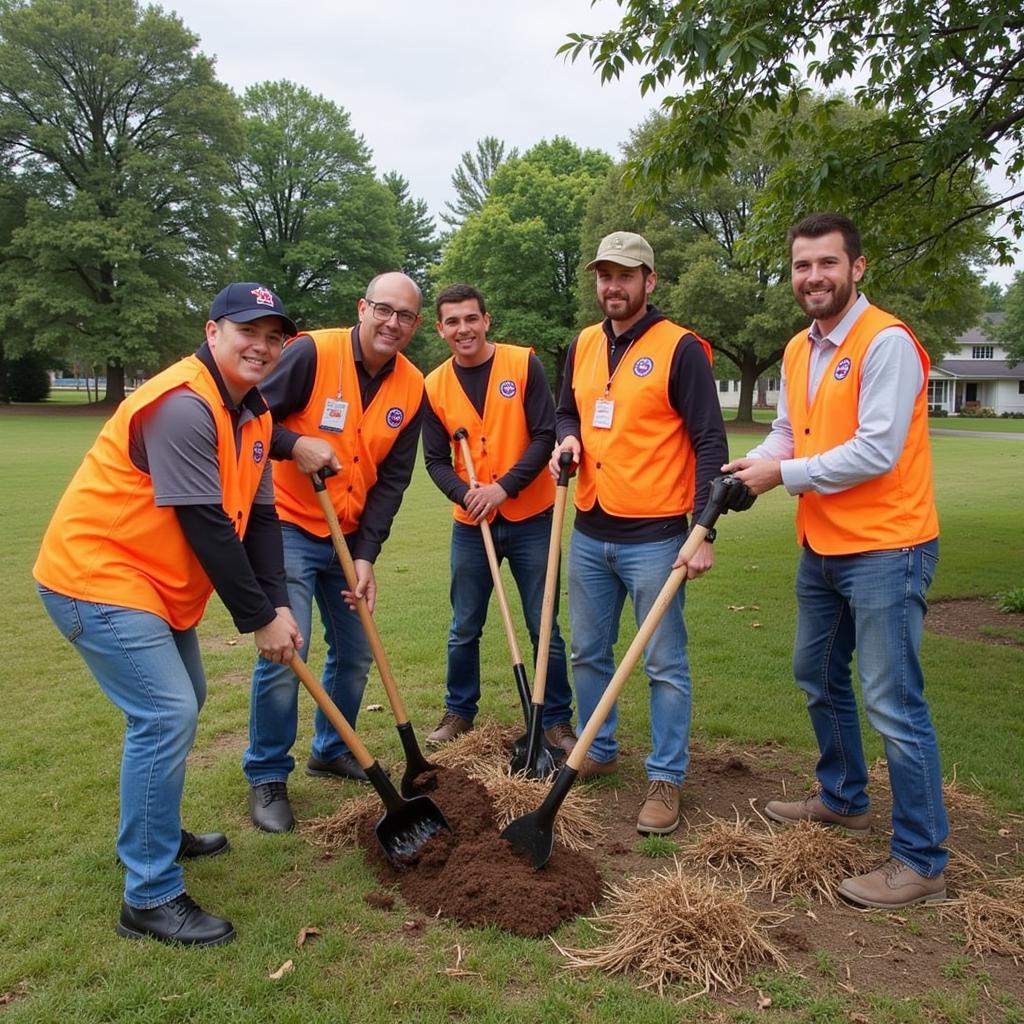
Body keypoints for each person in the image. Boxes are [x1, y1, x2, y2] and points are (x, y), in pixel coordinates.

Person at [34, 283, 301, 946]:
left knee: (189, 697)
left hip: (149, 583)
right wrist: (258, 619)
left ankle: (155, 829)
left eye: (273, 337)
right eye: (248, 331)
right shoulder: (183, 406)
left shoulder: (255, 414)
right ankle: (148, 898)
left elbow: (261, 520)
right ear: (213, 333)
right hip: (95, 576)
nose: (261, 346)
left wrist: (281, 601)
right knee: (166, 711)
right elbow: (206, 524)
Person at [724, 212, 948, 909]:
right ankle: (844, 797)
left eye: (826, 263)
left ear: (858, 267)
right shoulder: (800, 349)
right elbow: (791, 432)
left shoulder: (887, 344)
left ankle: (920, 860)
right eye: (801, 266)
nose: (812, 277)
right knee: (815, 672)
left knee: (892, 699)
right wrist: (751, 465)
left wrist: (778, 479)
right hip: (823, 544)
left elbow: (876, 450)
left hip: (888, 545)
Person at [551, 231, 728, 835]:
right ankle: (597, 751)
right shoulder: (581, 344)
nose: (613, 286)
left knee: (663, 662)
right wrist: (566, 437)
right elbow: (567, 409)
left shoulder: (680, 349)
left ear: (650, 281)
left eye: (625, 275)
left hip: (657, 537)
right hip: (589, 531)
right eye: (604, 275)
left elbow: (710, 442)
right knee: (588, 652)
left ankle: (665, 777)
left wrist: (703, 531)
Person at [244, 272, 425, 833]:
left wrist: (367, 553)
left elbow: (393, 479)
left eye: (406, 317)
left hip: (348, 538)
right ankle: (268, 774)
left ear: (415, 326)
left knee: (356, 651)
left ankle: (331, 745)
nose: (392, 323)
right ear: (362, 307)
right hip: (291, 527)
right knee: (286, 650)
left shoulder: (413, 386)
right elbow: (249, 417)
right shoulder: (311, 353)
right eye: (384, 310)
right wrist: (295, 443)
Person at [421, 283, 575, 749]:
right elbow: (434, 460)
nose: (463, 329)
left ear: (486, 320)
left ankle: (555, 719)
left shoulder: (521, 363)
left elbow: (545, 434)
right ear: (441, 328)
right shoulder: (433, 385)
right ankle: (459, 711)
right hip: (472, 526)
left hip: (532, 518)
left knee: (542, 622)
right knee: (464, 624)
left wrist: (502, 488)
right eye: (453, 321)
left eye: (471, 318)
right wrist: (468, 495)